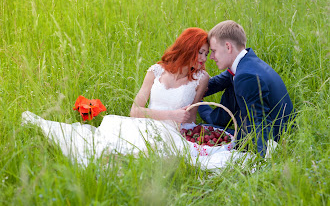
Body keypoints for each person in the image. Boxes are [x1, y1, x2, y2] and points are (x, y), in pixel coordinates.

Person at [22, 27, 218, 167]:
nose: (203, 58)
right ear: (187, 48)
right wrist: (172, 114)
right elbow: (135, 111)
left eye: (206, 53)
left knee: (142, 157)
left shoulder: (201, 78)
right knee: (107, 144)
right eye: (200, 52)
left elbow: (191, 117)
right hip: (145, 124)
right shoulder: (156, 71)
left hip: (172, 134)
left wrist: (199, 134)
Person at [198, 20, 294, 157]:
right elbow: (216, 83)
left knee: (205, 136)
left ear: (228, 47)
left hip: (275, 136)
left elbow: (259, 121)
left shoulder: (246, 76)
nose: (211, 57)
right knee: (208, 130)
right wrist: (188, 89)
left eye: (213, 51)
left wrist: (263, 161)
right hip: (272, 126)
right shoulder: (246, 63)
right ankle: (207, 113)